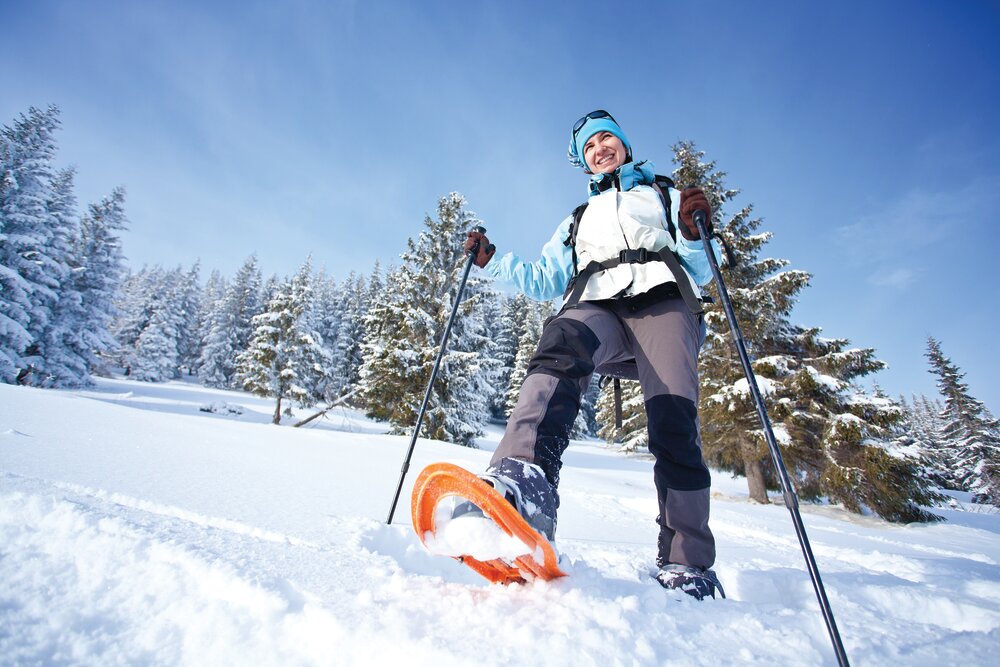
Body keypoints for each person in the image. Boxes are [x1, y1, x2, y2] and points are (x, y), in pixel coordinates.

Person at [461, 110, 724, 600]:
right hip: (596, 302)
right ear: (583, 162)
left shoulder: (663, 195)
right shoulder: (578, 219)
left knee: (674, 424)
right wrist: (493, 262)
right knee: (561, 339)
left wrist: (691, 232)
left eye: (607, 139)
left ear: (624, 145)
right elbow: (543, 279)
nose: (600, 148)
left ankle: (687, 562)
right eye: (589, 147)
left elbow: (705, 268)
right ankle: (523, 486)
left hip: (663, 301)